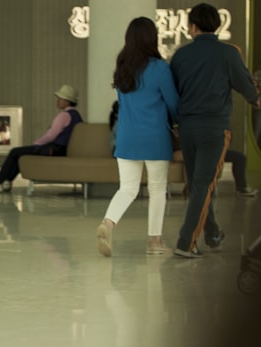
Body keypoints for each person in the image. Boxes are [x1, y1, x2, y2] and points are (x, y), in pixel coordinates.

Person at [169, 3, 261, 258]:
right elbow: (247, 88)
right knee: (203, 184)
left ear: (193, 27)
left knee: (198, 184)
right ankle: (185, 242)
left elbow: (172, 94)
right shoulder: (229, 53)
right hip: (214, 128)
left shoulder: (180, 56)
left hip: (186, 128)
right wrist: (255, 98)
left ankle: (212, 233)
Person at [96, 17, 179, 257]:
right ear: (152, 38)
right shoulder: (159, 68)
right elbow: (173, 103)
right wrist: (179, 122)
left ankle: (108, 223)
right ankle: (154, 242)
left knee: (128, 189)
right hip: (154, 138)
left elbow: (122, 104)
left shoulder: (122, 67)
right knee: (156, 189)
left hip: (127, 137)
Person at [0, 84, 84, 192]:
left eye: (60, 98)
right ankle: (7, 181)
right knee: (20, 153)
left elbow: (51, 135)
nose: (57, 101)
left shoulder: (64, 116)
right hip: (63, 150)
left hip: (55, 150)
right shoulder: (77, 116)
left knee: (15, 151)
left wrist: (36, 144)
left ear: (67, 101)